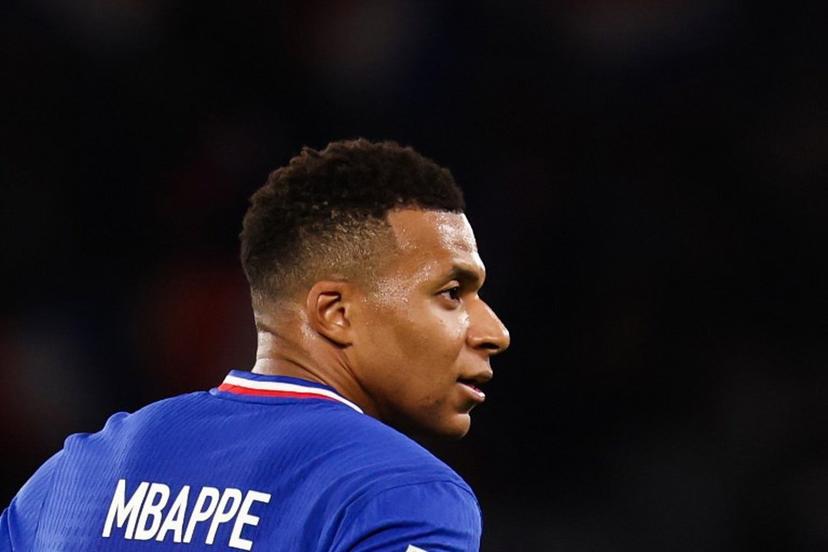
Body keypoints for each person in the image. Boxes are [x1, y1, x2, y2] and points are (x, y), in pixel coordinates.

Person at [0, 138, 510, 551]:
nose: (494, 331)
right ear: (335, 313)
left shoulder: (73, 477)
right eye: (450, 293)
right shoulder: (401, 496)